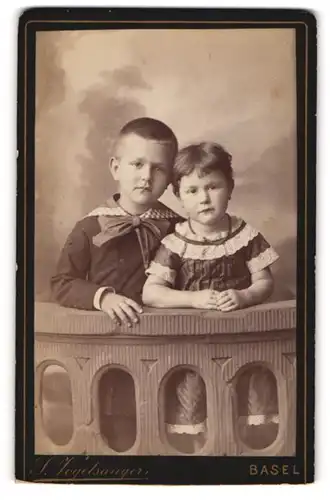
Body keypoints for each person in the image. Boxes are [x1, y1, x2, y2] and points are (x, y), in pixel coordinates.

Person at [51, 117, 182, 451]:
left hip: (172, 346)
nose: (146, 176)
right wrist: (102, 297)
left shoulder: (181, 228)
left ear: (169, 179)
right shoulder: (90, 227)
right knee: (120, 434)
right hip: (113, 352)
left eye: (159, 169)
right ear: (115, 167)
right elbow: (63, 282)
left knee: (172, 431)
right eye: (137, 164)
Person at [142, 142, 279, 453]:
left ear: (229, 188)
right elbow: (151, 293)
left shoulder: (246, 236)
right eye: (191, 190)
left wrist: (245, 296)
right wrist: (193, 299)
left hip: (242, 341)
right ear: (178, 195)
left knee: (246, 401)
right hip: (192, 345)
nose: (203, 198)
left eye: (213, 186)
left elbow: (265, 282)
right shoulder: (175, 243)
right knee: (194, 402)